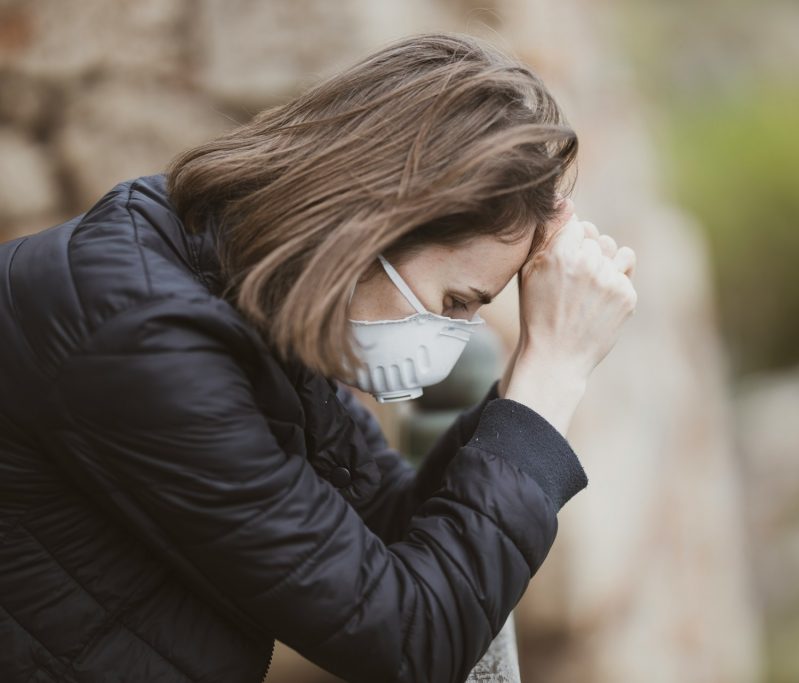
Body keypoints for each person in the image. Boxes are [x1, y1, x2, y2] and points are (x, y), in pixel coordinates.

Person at [0, 32, 637, 683]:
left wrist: (519, 392)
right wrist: (551, 377)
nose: (454, 336)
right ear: (378, 220)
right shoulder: (144, 335)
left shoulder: (235, 288)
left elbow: (392, 530)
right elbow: (407, 641)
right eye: (454, 301)